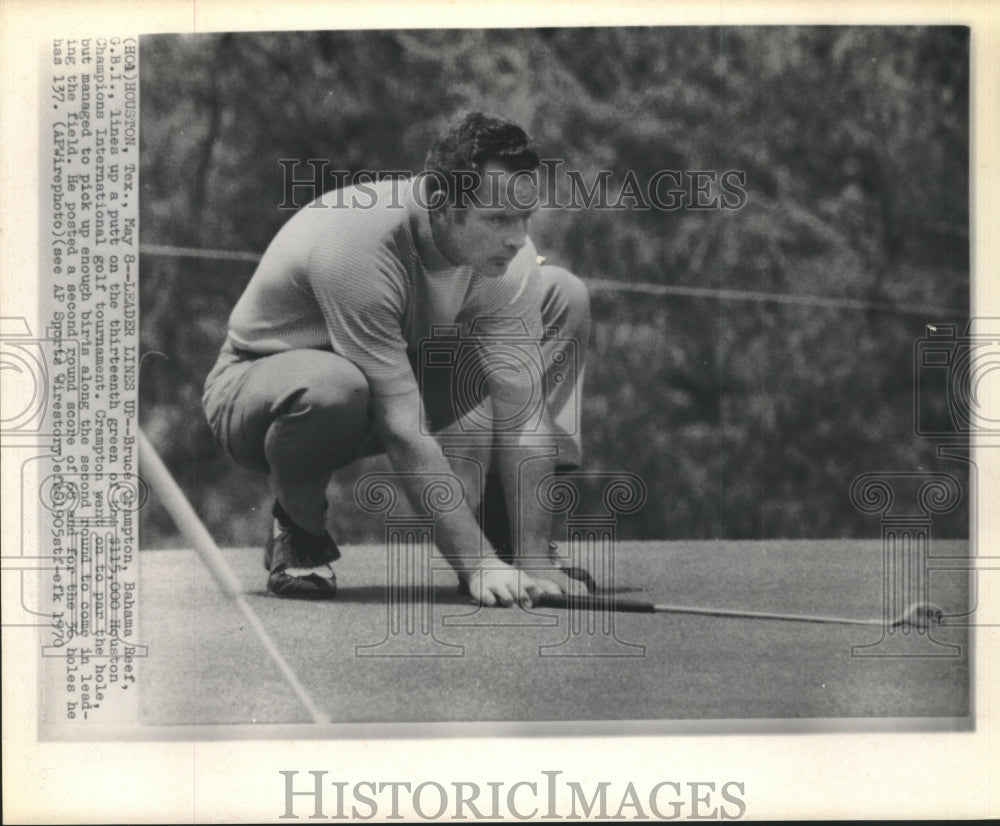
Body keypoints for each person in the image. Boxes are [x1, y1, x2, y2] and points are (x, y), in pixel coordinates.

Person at [202, 112, 593, 606]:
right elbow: (404, 428)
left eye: (524, 218)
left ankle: (510, 537)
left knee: (560, 293)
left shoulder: (510, 255)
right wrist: (476, 566)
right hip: (261, 390)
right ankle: (298, 532)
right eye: (497, 219)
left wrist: (534, 563)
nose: (517, 239)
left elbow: (524, 414)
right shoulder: (361, 243)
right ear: (439, 202)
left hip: (397, 363)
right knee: (336, 387)